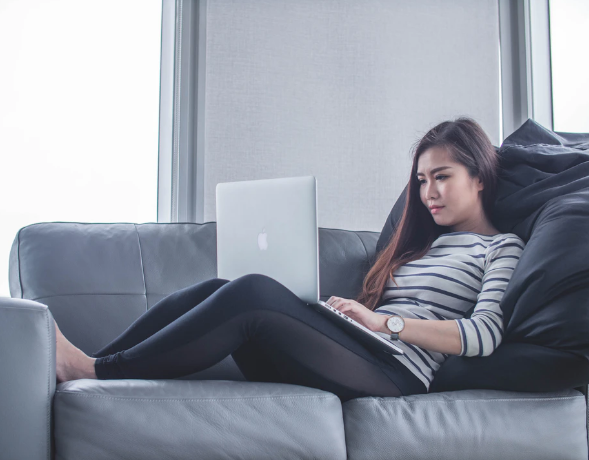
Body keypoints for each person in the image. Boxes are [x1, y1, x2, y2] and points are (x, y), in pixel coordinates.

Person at [55, 116, 525, 402]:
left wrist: (386, 324)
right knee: (223, 288)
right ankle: (96, 363)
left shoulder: (501, 247)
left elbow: (483, 336)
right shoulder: (421, 245)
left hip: (398, 374)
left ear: (479, 177)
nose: (427, 193)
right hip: (359, 351)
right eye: (420, 181)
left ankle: (94, 371)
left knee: (254, 292)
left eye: (440, 177)